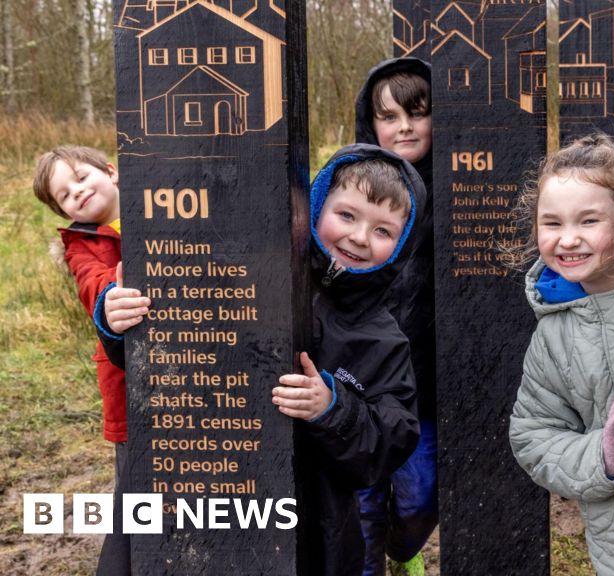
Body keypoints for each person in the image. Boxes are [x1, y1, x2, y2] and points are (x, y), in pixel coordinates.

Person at [99, 144, 427, 575]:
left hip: (312, 521)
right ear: (316, 204)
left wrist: (333, 408)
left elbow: (392, 438)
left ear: (403, 243)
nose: (360, 237)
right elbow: (175, 350)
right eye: (347, 216)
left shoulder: (382, 339)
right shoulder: (247, 270)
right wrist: (118, 321)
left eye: (383, 231)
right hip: (201, 475)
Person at [507, 134, 614, 576]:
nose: (568, 239)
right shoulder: (554, 334)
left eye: (589, 220)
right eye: (552, 223)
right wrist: (605, 454)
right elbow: (533, 435)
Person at [32, 145, 137, 575]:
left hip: (194, 373)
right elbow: (94, 288)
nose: (76, 192)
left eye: (79, 177)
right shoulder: (82, 247)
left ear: (110, 171)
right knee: (136, 499)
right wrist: (113, 298)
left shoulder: (160, 205)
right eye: (63, 195)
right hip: (133, 394)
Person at [353, 57, 436, 576]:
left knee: (420, 496)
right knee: (360, 504)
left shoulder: (463, 192)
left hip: (424, 385)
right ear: (371, 124)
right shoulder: (352, 187)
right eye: (388, 116)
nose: (403, 126)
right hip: (358, 380)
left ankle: (400, 551)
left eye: (417, 112)